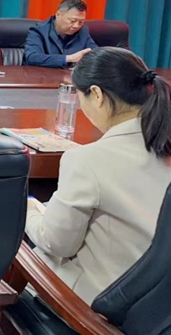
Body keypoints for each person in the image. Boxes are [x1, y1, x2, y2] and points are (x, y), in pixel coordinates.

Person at [25, 47, 171, 304]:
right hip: (158, 308)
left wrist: (27, 210)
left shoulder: (87, 159)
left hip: (106, 307)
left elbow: (57, 243)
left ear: (96, 94)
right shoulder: (163, 144)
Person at [24, 0, 97, 68]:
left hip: (71, 75)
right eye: (72, 21)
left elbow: (96, 53)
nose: (76, 26)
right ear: (58, 15)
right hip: (42, 75)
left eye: (81, 22)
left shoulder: (83, 31)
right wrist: (69, 58)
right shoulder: (39, 31)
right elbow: (32, 57)